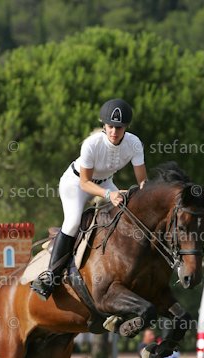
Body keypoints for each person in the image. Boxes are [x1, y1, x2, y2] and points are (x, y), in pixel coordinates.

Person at [31, 98, 147, 300]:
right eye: (110, 126)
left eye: (119, 127)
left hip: (105, 182)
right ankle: (50, 276)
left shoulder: (134, 143)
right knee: (73, 222)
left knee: (127, 212)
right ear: (104, 125)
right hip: (76, 183)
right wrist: (109, 194)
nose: (114, 131)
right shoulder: (91, 144)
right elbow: (85, 183)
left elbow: (143, 182)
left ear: (126, 127)